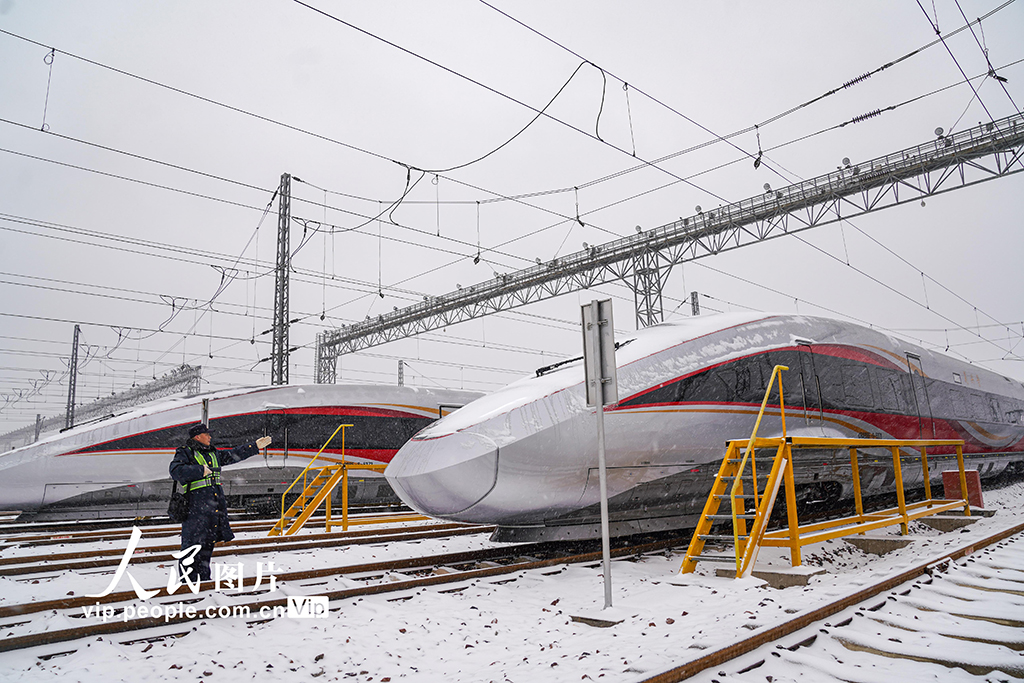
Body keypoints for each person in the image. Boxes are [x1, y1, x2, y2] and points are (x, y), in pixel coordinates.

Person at [169, 422, 272, 582]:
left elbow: (233, 454)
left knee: (206, 548)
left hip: (213, 509)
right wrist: (199, 470)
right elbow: (175, 470)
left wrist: (254, 446)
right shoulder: (186, 452)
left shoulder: (212, 453)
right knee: (191, 548)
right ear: (198, 437)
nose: (210, 437)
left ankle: (203, 581)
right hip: (195, 510)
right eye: (207, 434)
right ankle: (188, 584)